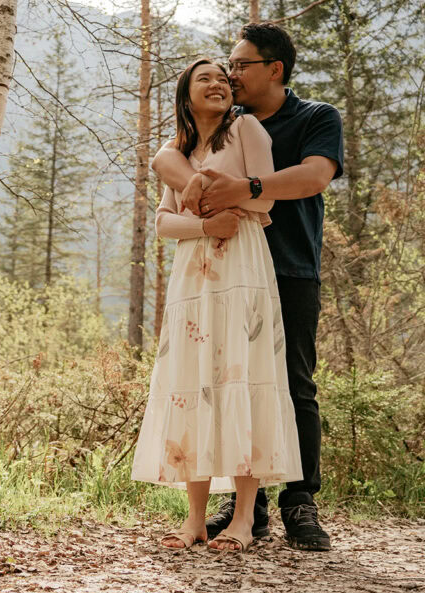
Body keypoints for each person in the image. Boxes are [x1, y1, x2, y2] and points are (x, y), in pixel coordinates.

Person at [152, 22, 344, 551]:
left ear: (274, 69)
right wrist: (191, 182)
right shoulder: (220, 124)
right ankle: (245, 510)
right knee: (220, 381)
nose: (231, 76)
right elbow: (168, 159)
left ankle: (299, 502)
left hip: (288, 267)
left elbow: (313, 177)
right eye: (223, 70)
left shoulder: (313, 117)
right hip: (218, 272)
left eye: (239, 66)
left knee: (291, 384)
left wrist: (247, 188)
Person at [131, 56, 303, 553]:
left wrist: (213, 198)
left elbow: (265, 201)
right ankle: (194, 521)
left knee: (242, 379)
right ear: (186, 95)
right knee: (194, 384)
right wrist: (207, 223)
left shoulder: (245, 128)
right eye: (202, 78)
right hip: (193, 276)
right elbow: (165, 223)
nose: (217, 84)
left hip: (243, 268)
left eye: (221, 79)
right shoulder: (178, 150)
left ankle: (245, 519)